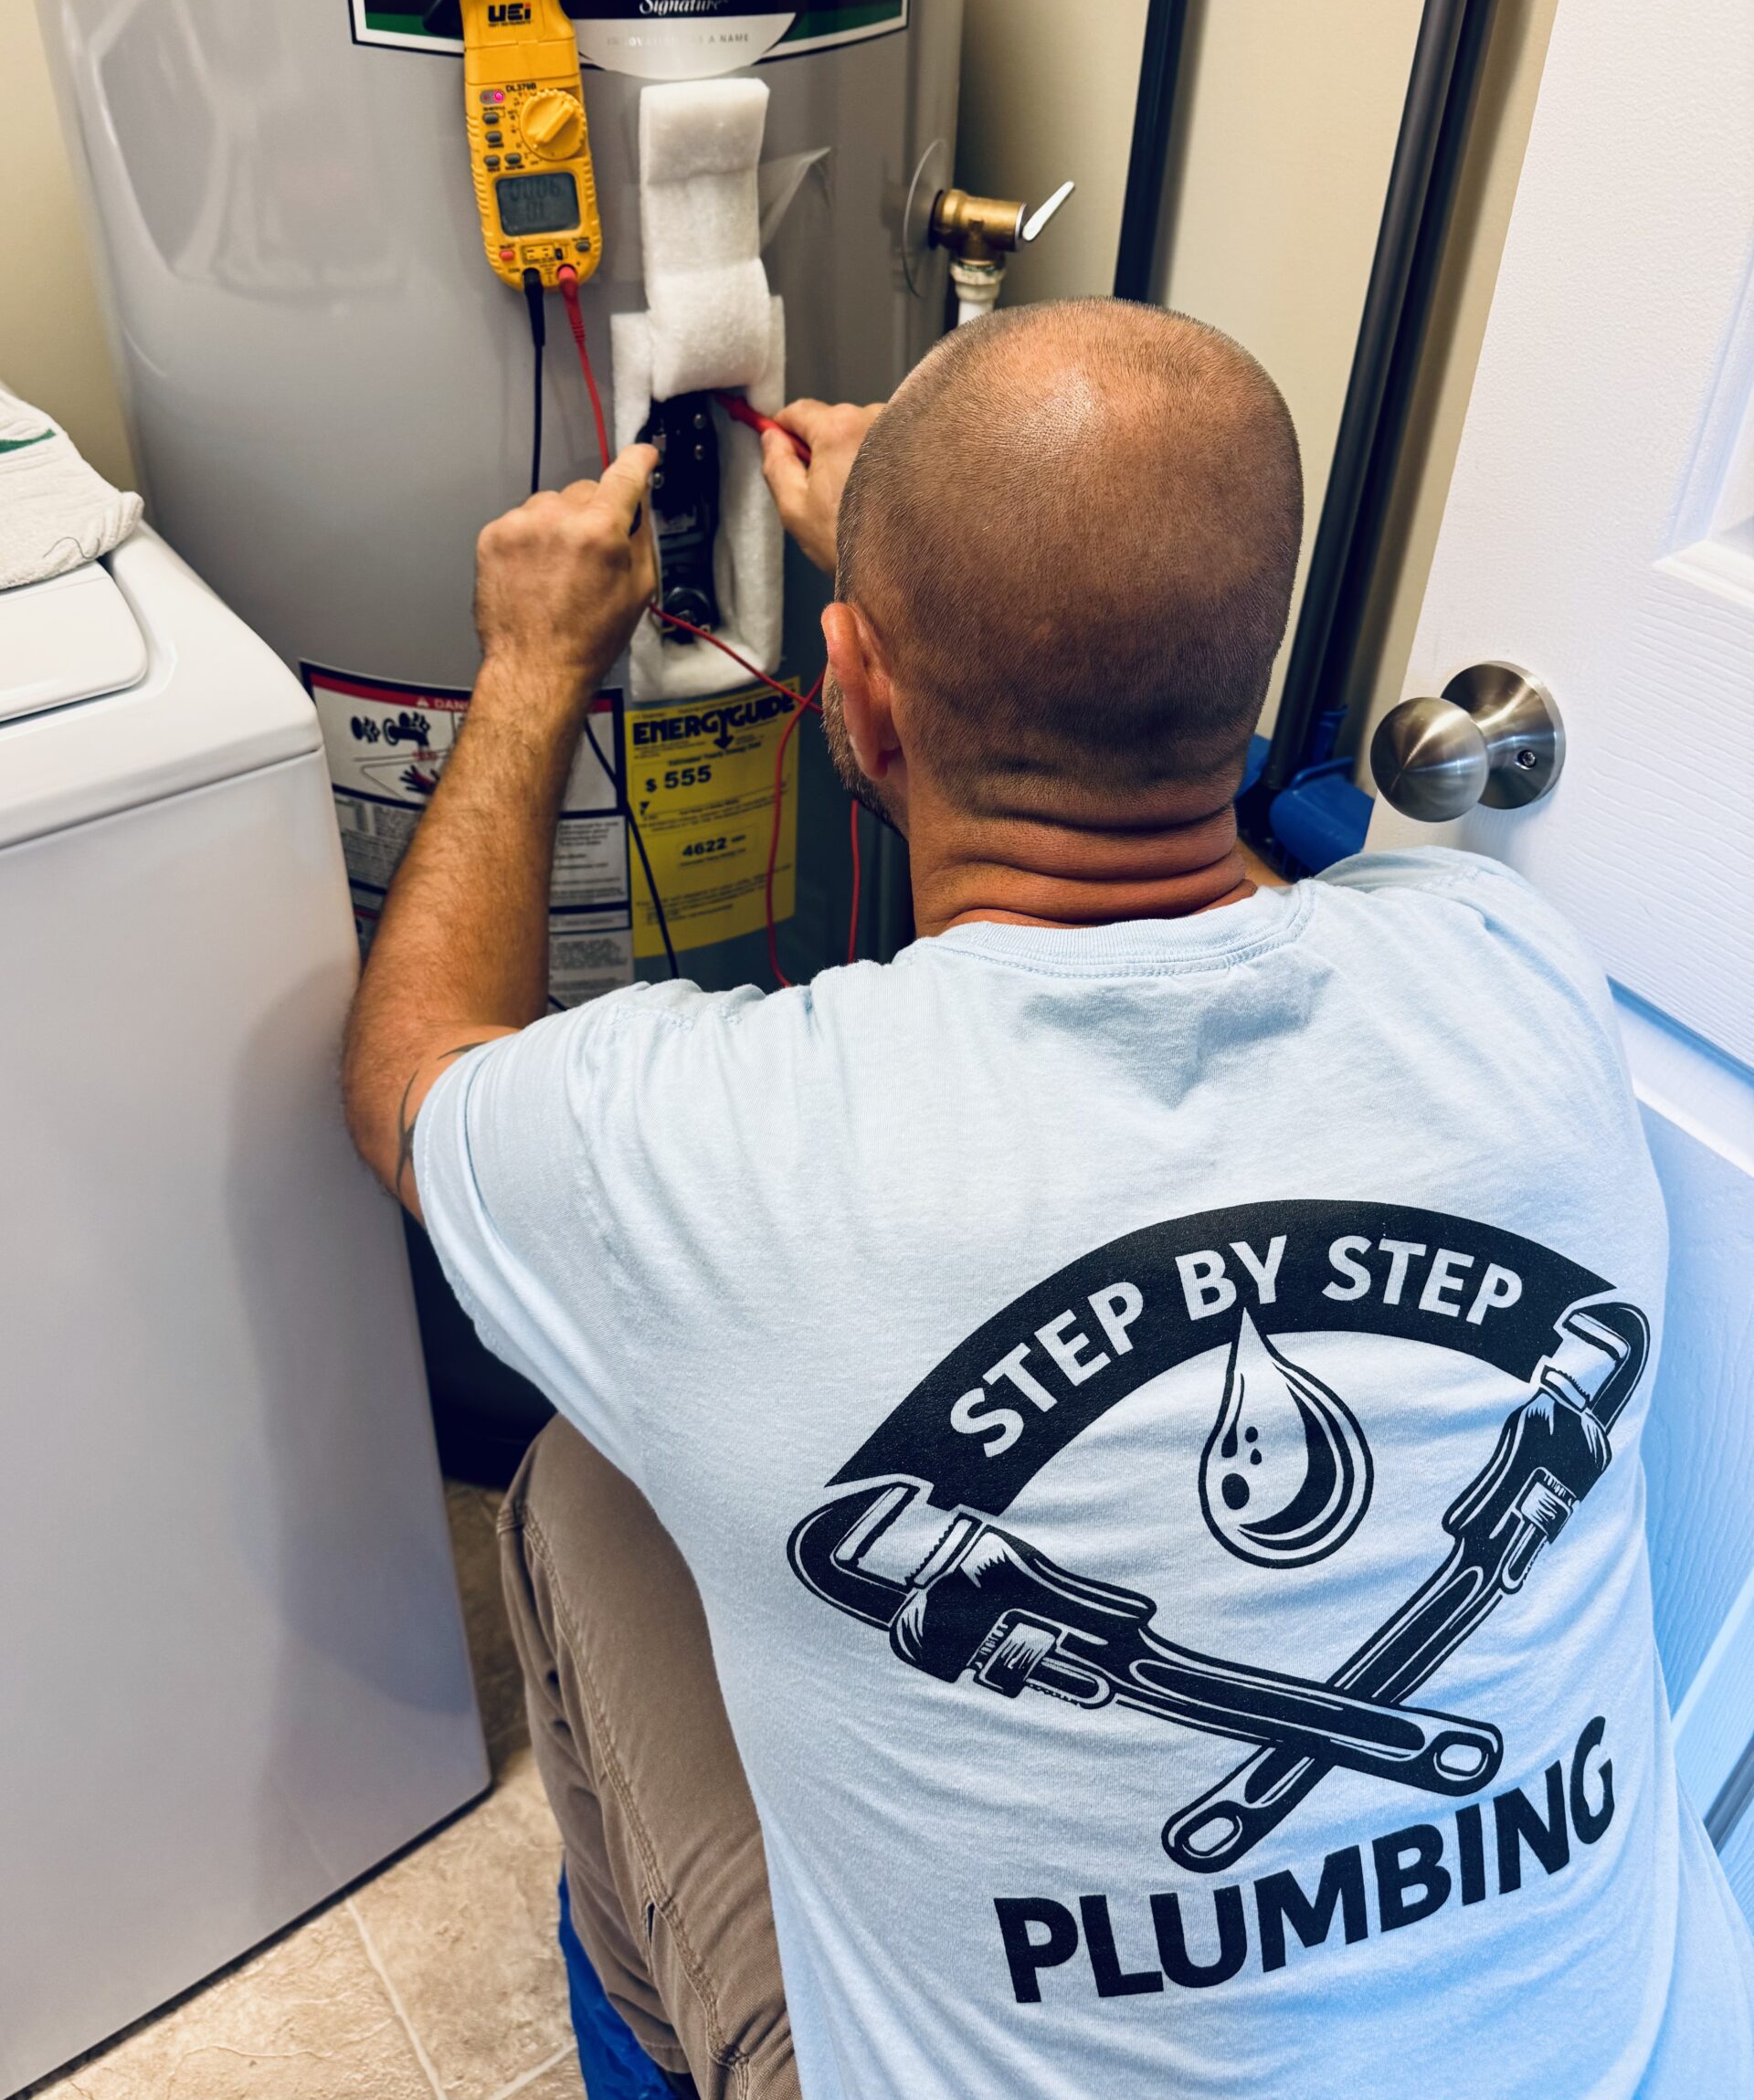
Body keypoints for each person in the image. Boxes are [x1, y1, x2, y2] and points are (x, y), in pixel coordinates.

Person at [343, 301, 1754, 2100]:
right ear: (1254, 681)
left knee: (579, 1483)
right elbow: (1193, 849)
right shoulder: (1514, 975)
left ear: (855, 689)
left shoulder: (697, 1150)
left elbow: (409, 1067)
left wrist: (536, 660)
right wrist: (979, 587)